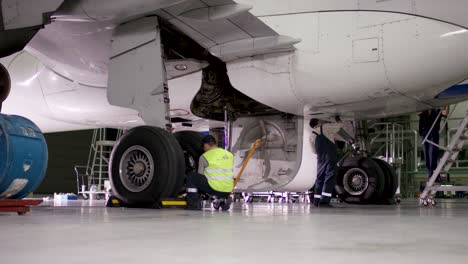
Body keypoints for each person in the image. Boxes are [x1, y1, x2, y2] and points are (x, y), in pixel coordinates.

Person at [186, 135, 234, 210]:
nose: (203, 149)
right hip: (228, 189)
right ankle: (222, 199)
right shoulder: (229, 155)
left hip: (214, 188)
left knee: (192, 177)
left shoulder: (204, 156)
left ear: (206, 145)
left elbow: (200, 175)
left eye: (203, 147)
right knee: (215, 181)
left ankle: (193, 204)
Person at [310, 119, 339, 207]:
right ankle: (324, 201)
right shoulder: (325, 127)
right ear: (318, 122)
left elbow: (314, 151)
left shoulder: (311, 135)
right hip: (330, 156)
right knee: (329, 177)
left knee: (320, 178)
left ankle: (316, 201)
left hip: (320, 158)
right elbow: (339, 125)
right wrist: (337, 119)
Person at [419, 107, 448, 179]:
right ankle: (430, 173)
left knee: (433, 152)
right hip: (424, 132)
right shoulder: (423, 110)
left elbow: (445, 113)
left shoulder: (438, 110)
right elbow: (418, 112)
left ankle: (433, 173)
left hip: (434, 131)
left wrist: (447, 104)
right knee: (426, 154)